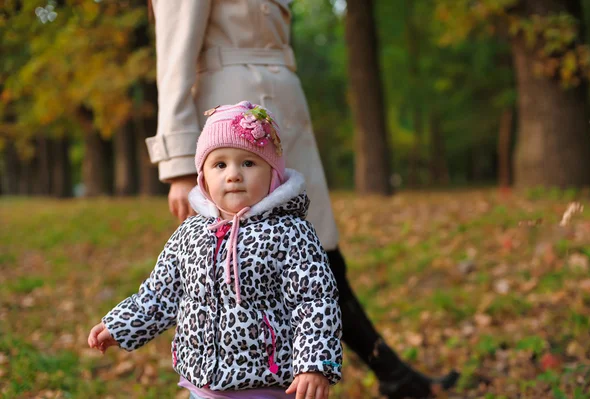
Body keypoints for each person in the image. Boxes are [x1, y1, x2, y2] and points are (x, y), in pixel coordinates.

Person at [144, 1, 459, 397]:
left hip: (280, 120)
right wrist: (178, 166)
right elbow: (174, 59)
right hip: (230, 130)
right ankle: (386, 374)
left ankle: (390, 374)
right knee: (288, 267)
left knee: (322, 254)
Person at [89, 102, 343, 399]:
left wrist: (314, 365)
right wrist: (121, 325)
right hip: (203, 383)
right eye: (220, 165)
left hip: (268, 383)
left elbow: (314, 303)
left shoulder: (291, 234)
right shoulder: (190, 233)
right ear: (203, 177)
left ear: (273, 173)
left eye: (248, 163)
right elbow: (161, 295)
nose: (233, 175)